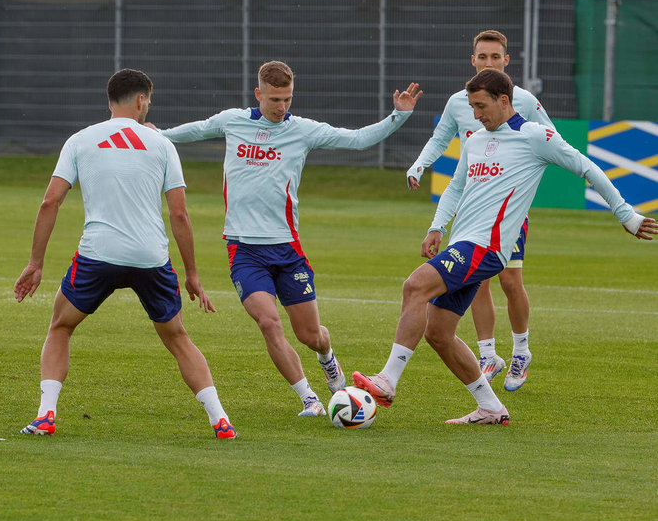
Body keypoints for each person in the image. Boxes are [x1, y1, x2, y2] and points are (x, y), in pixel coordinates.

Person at [354, 69, 655, 424]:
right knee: (438, 333)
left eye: (481, 106)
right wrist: (437, 227)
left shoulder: (535, 136)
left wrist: (627, 215)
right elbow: (456, 186)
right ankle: (491, 408)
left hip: (488, 247)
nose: (476, 114)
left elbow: (587, 167)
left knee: (414, 285)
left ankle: (387, 380)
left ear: (504, 101)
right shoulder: (476, 140)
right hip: (463, 242)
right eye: (472, 107)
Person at [157, 61, 419, 417]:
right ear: (258, 94)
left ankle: (328, 360)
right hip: (244, 249)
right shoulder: (233, 120)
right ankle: (309, 398)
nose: (282, 107)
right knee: (268, 322)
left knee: (311, 335)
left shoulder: (303, 130)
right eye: (275, 99)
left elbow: (357, 140)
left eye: (288, 99)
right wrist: (156, 135)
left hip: (287, 249)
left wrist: (397, 115)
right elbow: (196, 130)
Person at [14, 69, 236, 439]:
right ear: (141, 101)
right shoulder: (162, 145)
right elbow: (179, 213)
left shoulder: (81, 140)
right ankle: (220, 420)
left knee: (61, 326)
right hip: (150, 257)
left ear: (109, 101)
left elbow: (50, 200)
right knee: (178, 338)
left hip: (98, 256)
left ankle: (45, 415)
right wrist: (192, 273)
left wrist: (36, 263)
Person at [405, 30, 554, 391]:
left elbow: (550, 139)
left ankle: (521, 349)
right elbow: (441, 139)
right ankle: (488, 354)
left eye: (495, 57)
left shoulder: (525, 102)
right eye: (482, 57)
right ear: (472, 60)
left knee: (509, 280)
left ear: (507, 60)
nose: (489, 62)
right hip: (471, 208)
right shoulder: (459, 102)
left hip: (507, 213)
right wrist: (420, 165)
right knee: (476, 281)